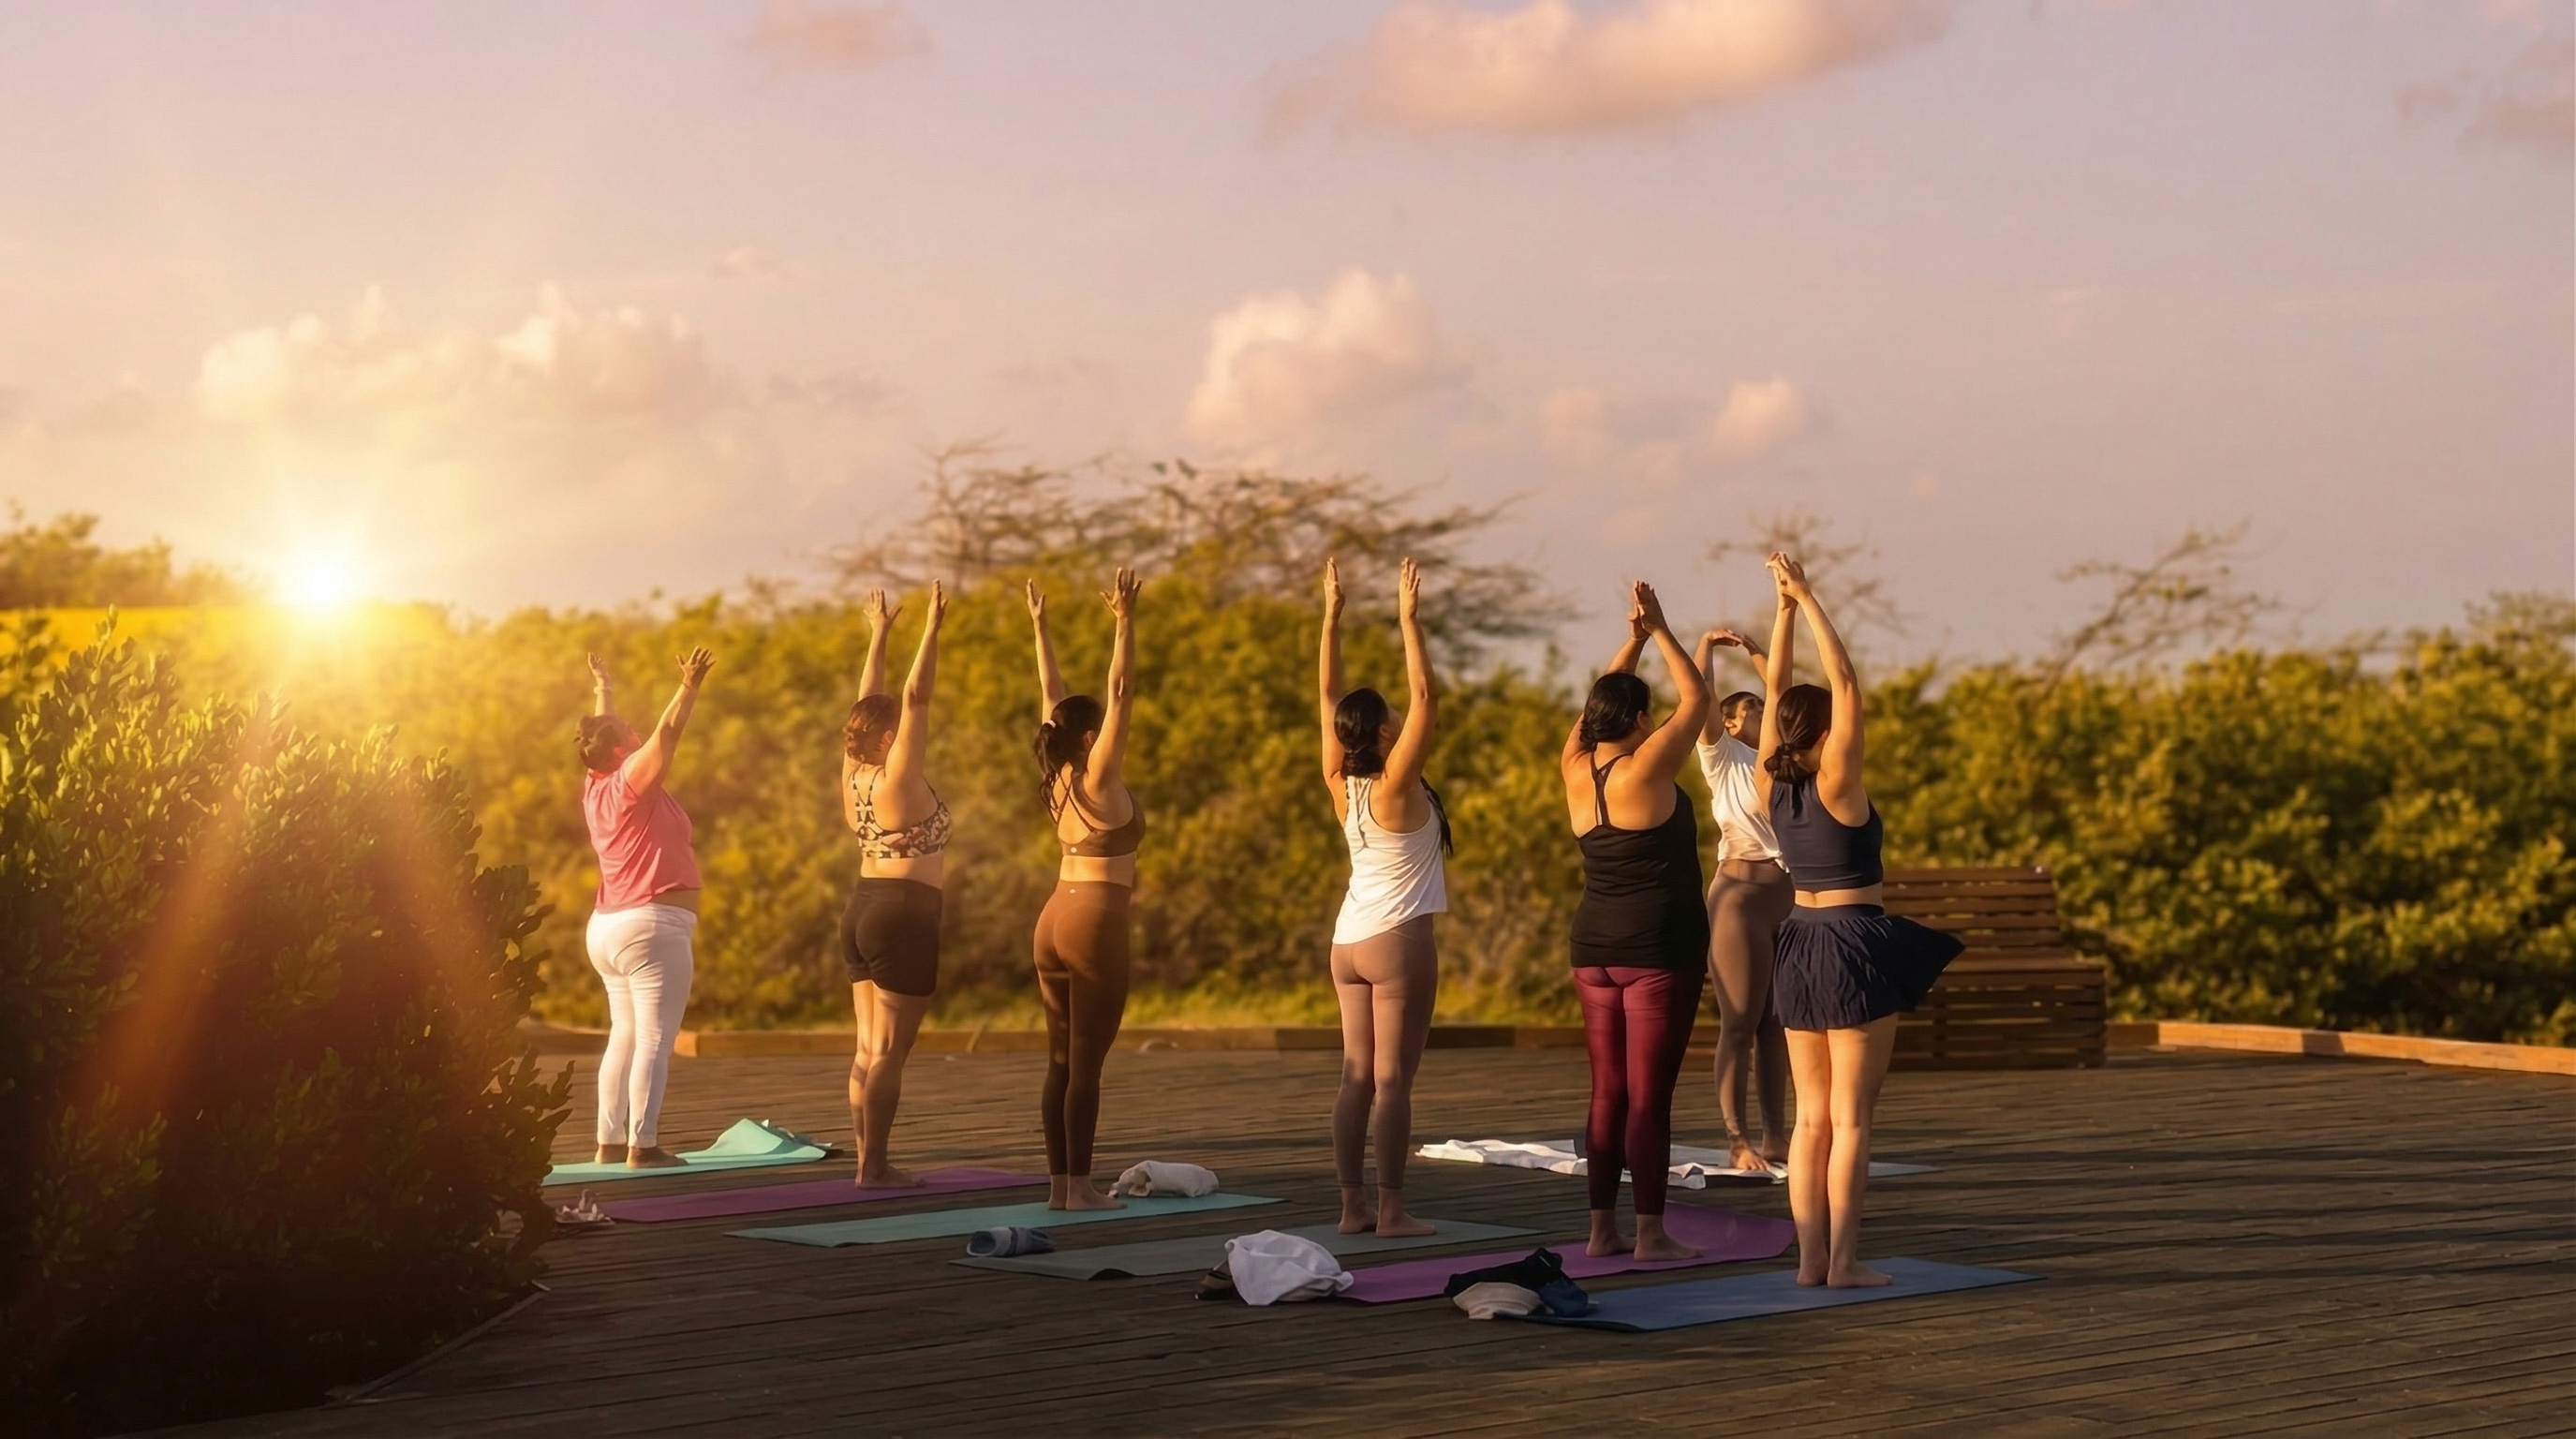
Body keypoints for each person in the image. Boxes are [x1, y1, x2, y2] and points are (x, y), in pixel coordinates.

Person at [1755, 553, 1963, 1287]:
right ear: (1822, 736)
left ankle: (1811, 1262)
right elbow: (1843, 684)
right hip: (1851, 945)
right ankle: (1843, 1261)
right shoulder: (1836, 782)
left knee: (1810, 1121)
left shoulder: (1772, 787)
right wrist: (1807, 596)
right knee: (1850, 1119)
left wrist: (1781, 612)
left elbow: (1776, 690)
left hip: (1798, 945)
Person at [1560, 581, 1713, 1261]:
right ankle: (1651, 1233)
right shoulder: (1645, 768)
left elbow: (1592, 711)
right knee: (1650, 1098)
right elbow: (1698, 701)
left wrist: (1632, 641)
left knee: (1609, 1094)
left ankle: (1602, 1231)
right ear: (1641, 718)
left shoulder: (1575, 767)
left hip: (1594, 950)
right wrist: (1663, 631)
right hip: (1656, 952)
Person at [1316, 556, 1450, 1239]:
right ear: (1382, 734)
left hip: (1347, 942)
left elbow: (1328, 695)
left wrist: (1332, 617)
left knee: (1356, 1079)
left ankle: (1352, 1209)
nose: (1401, 714)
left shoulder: (1340, 780)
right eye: (1390, 715)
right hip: (1398, 942)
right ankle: (1392, 1209)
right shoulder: (1397, 784)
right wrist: (1408, 618)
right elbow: (1425, 695)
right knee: (1393, 1081)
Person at [1026, 568, 1144, 1211]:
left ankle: (1059, 1189)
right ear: (1093, 737)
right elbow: (1120, 691)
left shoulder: (1058, 778)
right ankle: (1081, 1190)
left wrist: (1041, 629)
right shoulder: (1097, 777)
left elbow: (1052, 701)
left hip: (1053, 918)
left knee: (1060, 1062)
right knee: (1086, 1064)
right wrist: (1124, 624)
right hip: (1094, 922)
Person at [577, 645, 715, 1168]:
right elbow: (669, 731)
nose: (637, 732)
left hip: (609, 927)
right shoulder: (633, 778)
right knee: (656, 1040)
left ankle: (609, 1143)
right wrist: (689, 686)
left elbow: (602, 732)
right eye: (628, 733)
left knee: (625, 1036)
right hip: (652, 925)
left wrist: (604, 688)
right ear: (620, 751)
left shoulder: (595, 784)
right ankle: (644, 1145)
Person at [838, 585, 952, 1187]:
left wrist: (878, 636)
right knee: (888, 1052)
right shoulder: (896, 779)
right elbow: (914, 697)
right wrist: (930, 629)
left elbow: (871, 700)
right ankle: (875, 1166)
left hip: (861, 907)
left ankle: (868, 1160)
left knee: (867, 1048)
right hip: (904, 914)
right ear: (888, 738)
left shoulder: (855, 774)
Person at [1695, 626, 1794, 1173]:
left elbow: (1781, 691)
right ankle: (1737, 1139)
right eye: (1747, 708)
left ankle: (1776, 1136)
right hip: (1739, 896)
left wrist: (1758, 648)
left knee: (1775, 1022)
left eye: (1760, 706)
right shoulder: (1723, 756)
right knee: (1739, 1022)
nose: (1759, 710)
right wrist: (1706, 647)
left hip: (1785, 894)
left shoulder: (1783, 763)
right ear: (1731, 723)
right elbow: (1699, 697)